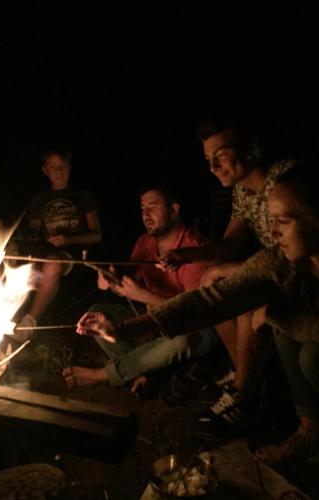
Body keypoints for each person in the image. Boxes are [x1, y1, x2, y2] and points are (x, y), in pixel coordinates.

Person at [75, 166, 319, 468]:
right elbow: (208, 301)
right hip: (157, 323)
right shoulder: (279, 261)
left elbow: (200, 314)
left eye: (282, 221)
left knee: (307, 353)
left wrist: (276, 314)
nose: (271, 233)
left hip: (193, 335)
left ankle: (292, 421)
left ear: (313, 219)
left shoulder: (192, 243)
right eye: (271, 222)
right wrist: (121, 328)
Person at [155, 117, 296, 433]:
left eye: (220, 155)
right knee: (210, 276)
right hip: (272, 271)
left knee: (243, 294)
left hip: (299, 272)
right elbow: (230, 245)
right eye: (208, 160)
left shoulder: (284, 179)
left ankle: (244, 395)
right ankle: (245, 375)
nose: (213, 167)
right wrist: (185, 256)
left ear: (250, 149)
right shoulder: (243, 193)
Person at [62, 184, 218, 391]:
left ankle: (105, 374)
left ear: (174, 210)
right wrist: (111, 278)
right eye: (142, 209)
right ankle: (145, 371)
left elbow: (193, 312)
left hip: (190, 327)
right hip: (153, 322)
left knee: (184, 342)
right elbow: (127, 283)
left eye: (152, 207)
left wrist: (143, 295)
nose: (146, 215)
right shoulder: (145, 242)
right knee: (96, 314)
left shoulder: (194, 247)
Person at [13, 147, 102, 341]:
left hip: (74, 253)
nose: (59, 172)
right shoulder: (39, 199)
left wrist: (67, 240)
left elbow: (97, 235)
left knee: (52, 263)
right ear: (45, 170)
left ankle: (29, 322)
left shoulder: (82, 195)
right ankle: (4, 315)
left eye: (63, 166)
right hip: (46, 251)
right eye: (54, 167)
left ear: (70, 167)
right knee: (8, 256)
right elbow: (33, 234)